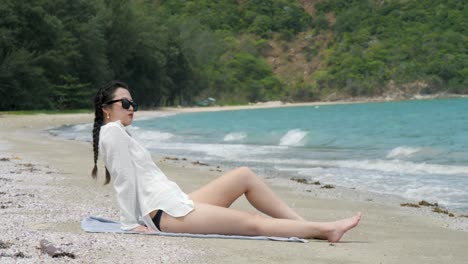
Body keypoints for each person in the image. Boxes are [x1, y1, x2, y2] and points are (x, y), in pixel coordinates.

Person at [91, 80, 361, 242]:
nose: (131, 108)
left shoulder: (119, 132)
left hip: (176, 202)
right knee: (252, 223)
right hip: (164, 214)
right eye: (124, 103)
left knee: (244, 175)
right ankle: (326, 229)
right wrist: (129, 224)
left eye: (132, 103)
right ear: (106, 109)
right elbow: (123, 181)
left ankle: (306, 227)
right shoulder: (112, 132)